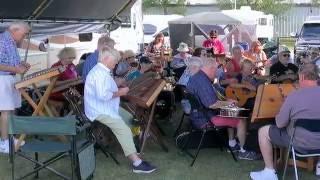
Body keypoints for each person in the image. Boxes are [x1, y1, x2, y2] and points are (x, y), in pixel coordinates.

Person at [84, 46, 156, 173]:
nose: (116, 63)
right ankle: (137, 163)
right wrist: (121, 92)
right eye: (115, 60)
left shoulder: (102, 70)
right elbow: (104, 96)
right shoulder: (100, 73)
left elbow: (104, 89)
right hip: (99, 110)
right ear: (106, 58)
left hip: (106, 107)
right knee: (124, 130)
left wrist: (116, 84)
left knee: (130, 119)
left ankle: (132, 147)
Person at [250, 63, 320, 180]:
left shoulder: (294, 96)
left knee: (263, 131)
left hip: (299, 143)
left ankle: (269, 172)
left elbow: (279, 123)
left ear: (302, 77)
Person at [186, 58, 260, 160]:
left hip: (200, 114)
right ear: (211, 69)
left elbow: (210, 99)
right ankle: (243, 151)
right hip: (205, 118)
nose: (216, 73)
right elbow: (211, 104)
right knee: (241, 118)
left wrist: (227, 101)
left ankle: (232, 144)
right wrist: (228, 103)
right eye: (216, 70)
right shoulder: (203, 81)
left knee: (235, 112)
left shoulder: (198, 77)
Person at [0, 22, 31, 153]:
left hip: (10, 78)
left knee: (11, 110)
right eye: (24, 34)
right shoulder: (2, 40)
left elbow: (9, 61)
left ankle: (10, 139)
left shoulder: (11, 41)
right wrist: (16, 68)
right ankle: (3, 143)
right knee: (6, 111)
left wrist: (21, 63)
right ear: (15, 30)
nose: (24, 37)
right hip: (3, 79)